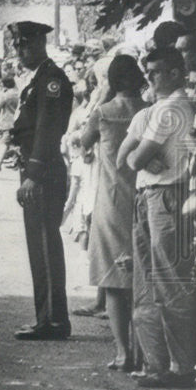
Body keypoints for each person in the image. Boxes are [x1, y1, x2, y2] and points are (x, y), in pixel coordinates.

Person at [118, 46, 196, 388]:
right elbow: (129, 156)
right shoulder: (158, 108)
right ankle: (160, 363)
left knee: (168, 280)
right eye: (147, 72)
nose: (149, 78)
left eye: (156, 72)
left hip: (166, 194)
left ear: (175, 73)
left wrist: (142, 157)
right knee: (151, 280)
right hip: (152, 194)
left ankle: (182, 366)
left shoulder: (170, 108)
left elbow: (134, 159)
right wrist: (141, 157)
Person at [80, 54, 149, 369]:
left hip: (110, 200)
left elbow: (83, 141)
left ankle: (123, 353)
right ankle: (145, 350)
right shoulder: (149, 111)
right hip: (143, 199)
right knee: (142, 279)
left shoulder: (103, 114)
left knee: (112, 281)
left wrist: (103, 97)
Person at [8, 20, 74, 340]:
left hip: (44, 173)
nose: (19, 51)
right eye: (17, 45)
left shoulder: (51, 80)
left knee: (45, 245)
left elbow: (48, 129)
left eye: (24, 45)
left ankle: (53, 322)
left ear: (40, 44)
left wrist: (32, 174)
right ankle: (48, 318)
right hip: (38, 168)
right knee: (39, 244)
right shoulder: (38, 80)